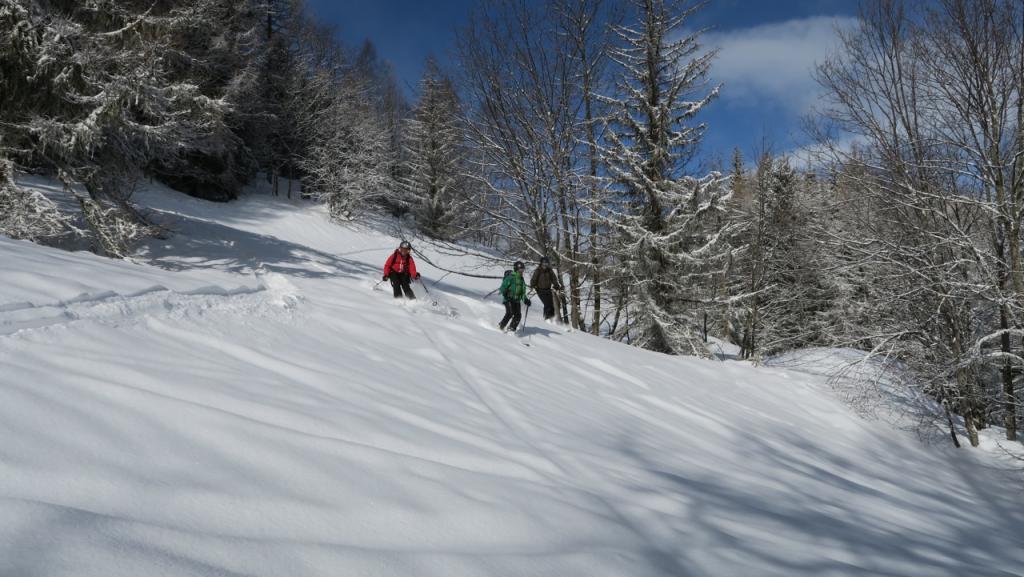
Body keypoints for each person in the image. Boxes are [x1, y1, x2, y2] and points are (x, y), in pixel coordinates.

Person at [498, 261, 531, 332]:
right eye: (520, 270)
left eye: (523, 270)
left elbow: (522, 292)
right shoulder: (510, 277)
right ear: (516, 269)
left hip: (516, 300)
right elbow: (502, 287)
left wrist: (525, 300)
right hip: (508, 299)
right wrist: (505, 292)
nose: (522, 271)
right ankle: (501, 326)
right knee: (510, 313)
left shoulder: (521, 280)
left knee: (518, 315)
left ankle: (511, 329)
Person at [529, 256, 562, 322]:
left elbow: (554, 279)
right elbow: (533, 279)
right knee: (547, 304)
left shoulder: (549, 270)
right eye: (543, 263)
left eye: (546, 263)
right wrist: (533, 286)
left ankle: (552, 319)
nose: (545, 265)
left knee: (551, 305)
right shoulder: (538, 271)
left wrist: (556, 286)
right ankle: (547, 319)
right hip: (540, 290)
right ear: (541, 263)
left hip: (548, 289)